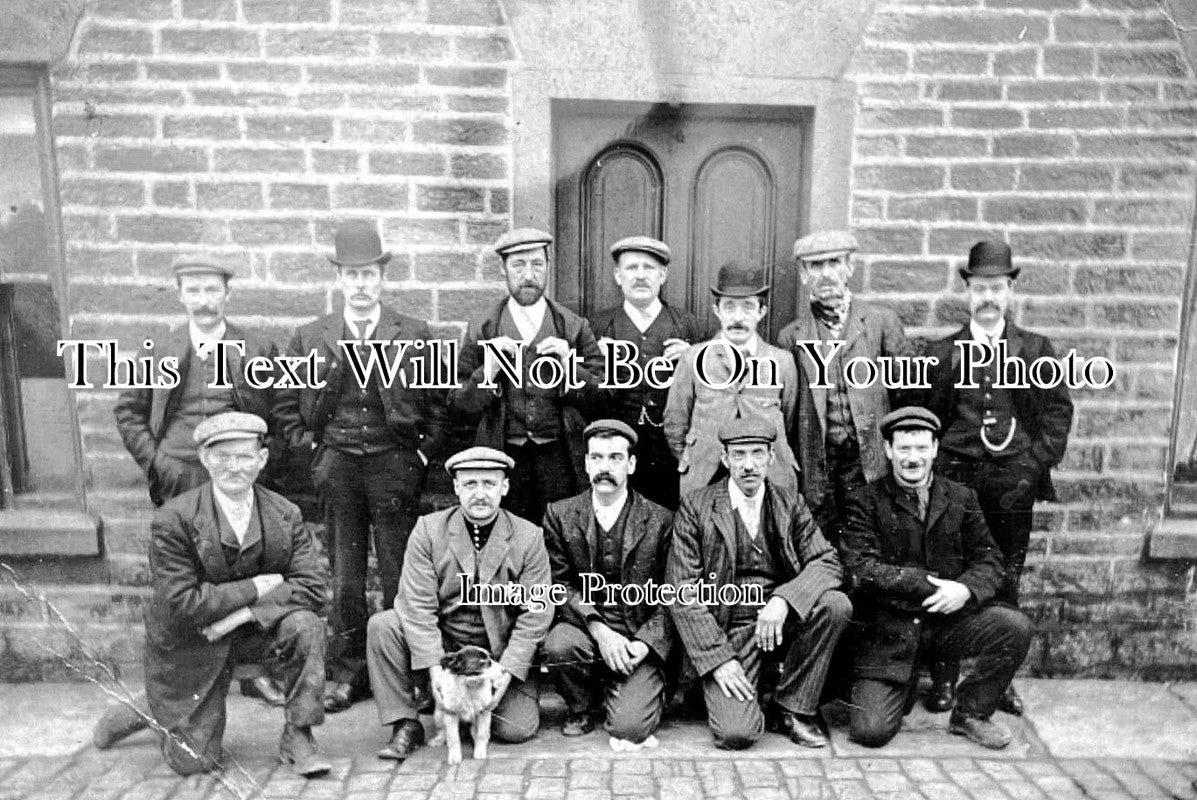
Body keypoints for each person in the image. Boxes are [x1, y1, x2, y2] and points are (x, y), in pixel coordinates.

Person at [95, 412, 330, 777]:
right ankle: (149, 707)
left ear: (262, 459)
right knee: (195, 762)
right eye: (222, 457)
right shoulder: (174, 518)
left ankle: (299, 734)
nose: (234, 467)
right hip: (194, 640)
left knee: (306, 624)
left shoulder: (285, 513)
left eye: (244, 457)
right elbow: (183, 603)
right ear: (205, 458)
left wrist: (244, 615)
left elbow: (312, 586)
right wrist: (256, 586)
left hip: (253, 632)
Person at [273, 219, 446, 713]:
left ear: (382, 277)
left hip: (394, 463)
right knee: (346, 578)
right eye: (352, 275)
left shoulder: (413, 333)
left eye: (369, 274)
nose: (361, 284)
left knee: (399, 575)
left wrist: (420, 454)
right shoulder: (311, 336)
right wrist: (313, 453)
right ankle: (349, 673)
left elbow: (438, 404)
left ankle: (403, 673)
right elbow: (286, 406)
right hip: (339, 464)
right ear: (339, 279)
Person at [112, 255, 283, 705]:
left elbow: (280, 415)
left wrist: (257, 465)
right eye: (194, 291)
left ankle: (251, 670)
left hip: (236, 474)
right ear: (180, 295)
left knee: (246, 568)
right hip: (179, 475)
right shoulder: (159, 349)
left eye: (212, 290)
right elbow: (128, 412)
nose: (204, 300)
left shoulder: (256, 349)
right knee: (183, 575)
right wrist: (157, 463)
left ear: (228, 293)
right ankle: (186, 678)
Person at [922, 240, 1073, 716]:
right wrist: (937, 472)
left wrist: (1031, 466)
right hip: (954, 481)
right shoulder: (941, 354)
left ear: (1010, 291)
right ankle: (944, 677)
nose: (988, 297)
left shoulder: (1035, 350)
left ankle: (996, 682)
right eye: (980, 288)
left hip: (1013, 484)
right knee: (948, 572)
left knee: (1006, 576)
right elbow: (924, 417)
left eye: (997, 288)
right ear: (967, 292)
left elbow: (1057, 414)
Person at [839, 406, 1033, 750]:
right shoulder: (865, 501)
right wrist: (930, 585)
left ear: (934, 449)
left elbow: (990, 560)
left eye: (921, 448)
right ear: (888, 451)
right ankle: (902, 686)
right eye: (904, 448)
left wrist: (965, 589)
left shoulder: (960, 497)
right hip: (891, 634)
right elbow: (861, 571)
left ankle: (971, 714)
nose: (912, 458)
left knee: (1014, 627)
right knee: (871, 732)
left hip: (946, 625)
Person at [665, 417, 851, 750]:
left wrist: (783, 600)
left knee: (835, 605)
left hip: (779, 620)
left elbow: (827, 561)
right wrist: (718, 661)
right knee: (737, 734)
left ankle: (791, 706)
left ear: (771, 457)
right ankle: (725, 690)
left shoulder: (789, 503)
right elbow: (682, 591)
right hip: (729, 628)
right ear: (725, 459)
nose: (748, 465)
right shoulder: (697, 506)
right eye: (739, 455)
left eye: (757, 453)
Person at [364, 446, 553, 761]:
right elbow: (416, 605)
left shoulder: (528, 536)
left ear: (505, 487)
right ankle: (405, 722)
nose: (480, 494)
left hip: (495, 654)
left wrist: (506, 672)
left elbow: (537, 612)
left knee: (516, 729)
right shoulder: (429, 530)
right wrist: (436, 671)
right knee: (384, 626)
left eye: (489, 484)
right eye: (470, 484)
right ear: (456, 487)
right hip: (447, 648)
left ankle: (459, 709)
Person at [452, 228, 606, 525]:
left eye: (537, 264)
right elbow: (458, 406)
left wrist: (570, 367)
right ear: (503, 269)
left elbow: (602, 399)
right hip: (503, 456)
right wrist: (488, 371)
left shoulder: (573, 326)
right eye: (518, 265)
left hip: (560, 459)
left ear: (548, 266)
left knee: (557, 536)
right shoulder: (483, 328)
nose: (528, 275)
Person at [541, 419, 674, 742]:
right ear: (586, 463)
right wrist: (600, 631)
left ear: (631, 464)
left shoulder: (660, 520)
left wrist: (644, 644)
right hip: (586, 632)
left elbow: (672, 595)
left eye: (615, 458)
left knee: (629, 729)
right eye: (597, 458)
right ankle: (582, 706)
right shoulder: (560, 515)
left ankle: (637, 691)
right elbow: (559, 586)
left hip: (637, 636)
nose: (605, 467)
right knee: (559, 643)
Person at [777, 230, 912, 546]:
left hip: (870, 459)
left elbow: (905, 392)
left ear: (850, 267)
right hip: (820, 463)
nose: (826, 274)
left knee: (871, 537)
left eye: (834, 263)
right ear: (804, 274)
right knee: (821, 543)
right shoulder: (792, 336)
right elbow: (788, 409)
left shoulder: (880, 322)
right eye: (816, 265)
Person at [588, 236, 709, 509]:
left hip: (671, 455)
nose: (640, 276)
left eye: (649, 268)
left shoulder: (689, 326)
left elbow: (712, 393)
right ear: (618, 276)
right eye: (632, 268)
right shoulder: (597, 326)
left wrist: (692, 360)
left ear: (662, 275)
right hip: (616, 453)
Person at [664, 261, 801, 499]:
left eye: (748, 307)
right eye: (729, 307)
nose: (738, 317)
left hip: (768, 477)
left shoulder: (782, 362)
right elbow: (675, 420)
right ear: (717, 310)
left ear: (762, 311)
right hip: (706, 475)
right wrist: (694, 457)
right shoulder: (693, 358)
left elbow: (790, 421)